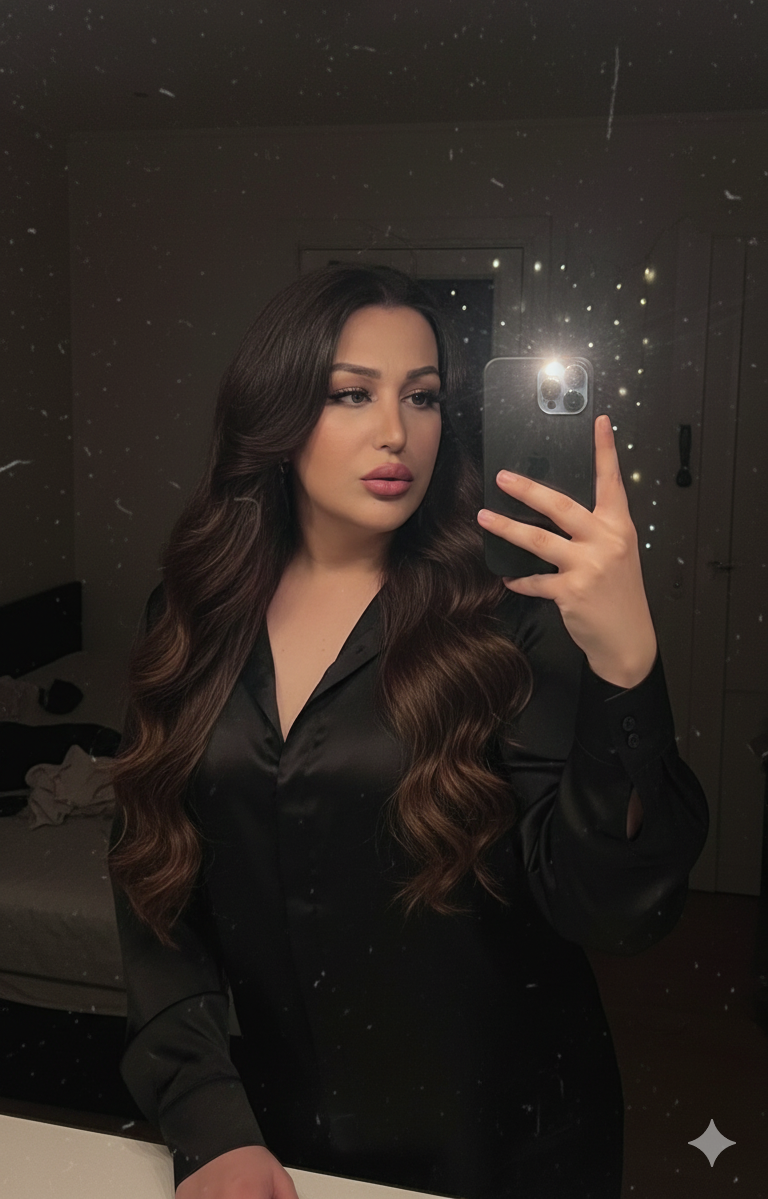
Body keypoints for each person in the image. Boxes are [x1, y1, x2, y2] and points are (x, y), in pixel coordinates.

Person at [108, 264, 709, 1199]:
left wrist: (626, 667)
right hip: (279, 1145)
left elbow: (611, 911)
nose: (397, 431)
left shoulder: (512, 616)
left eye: (422, 397)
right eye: (352, 393)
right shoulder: (192, 615)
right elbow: (155, 887)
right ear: (277, 412)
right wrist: (209, 1126)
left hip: (504, 1149)